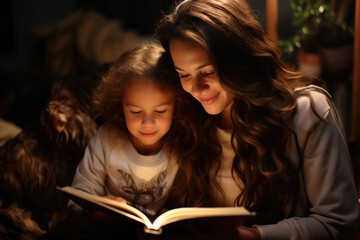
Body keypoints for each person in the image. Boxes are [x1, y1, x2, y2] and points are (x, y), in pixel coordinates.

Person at [155, 0, 359, 239]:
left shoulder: (306, 111)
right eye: (184, 74)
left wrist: (251, 236)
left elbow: (338, 223)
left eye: (208, 72)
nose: (196, 88)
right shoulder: (184, 113)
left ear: (240, 60)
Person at [70, 43, 198, 217]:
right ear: (120, 105)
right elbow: (76, 200)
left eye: (160, 111)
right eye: (136, 112)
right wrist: (97, 209)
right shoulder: (106, 140)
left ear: (176, 107)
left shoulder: (180, 143)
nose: (147, 123)